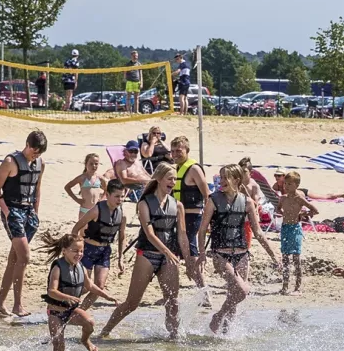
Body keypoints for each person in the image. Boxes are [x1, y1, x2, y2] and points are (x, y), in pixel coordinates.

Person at [99, 163, 191, 340]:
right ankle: (105, 332)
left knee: (173, 302)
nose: (173, 182)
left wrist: (188, 260)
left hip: (168, 258)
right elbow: (149, 234)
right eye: (170, 179)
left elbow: (182, 235)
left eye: (175, 179)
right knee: (132, 303)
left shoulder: (178, 205)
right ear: (159, 179)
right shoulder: (144, 203)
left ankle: (174, 338)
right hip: (147, 256)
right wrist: (167, 252)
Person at [197, 164, 279, 334]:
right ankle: (218, 316)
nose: (221, 181)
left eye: (225, 177)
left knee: (233, 296)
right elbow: (203, 229)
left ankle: (225, 335)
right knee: (242, 291)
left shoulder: (247, 202)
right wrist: (202, 254)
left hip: (242, 254)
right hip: (220, 254)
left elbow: (258, 232)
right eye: (220, 177)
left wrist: (273, 256)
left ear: (236, 179)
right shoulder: (213, 200)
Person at [0, 130, 47, 317]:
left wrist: (36, 213)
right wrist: (7, 213)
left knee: (14, 259)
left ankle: (0, 303)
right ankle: (17, 305)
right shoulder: (10, 162)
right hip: (12, 211)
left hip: (29, 212)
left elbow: (37, 189)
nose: (35, 156)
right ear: (27, 145)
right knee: (24, 257)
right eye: (34, 151)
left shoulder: (40, 163)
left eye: (39, 153)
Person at [40, 232, 115, 351]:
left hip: (71, 311)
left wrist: (106, 296)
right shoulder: (58, 267)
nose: (79, 254)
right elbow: (51, 291)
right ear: (64, 251)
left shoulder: (81, 267)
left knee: (89, 323)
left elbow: (90, 286)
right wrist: (67, 297)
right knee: (59, 348)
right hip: (55, 313)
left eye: (81, 251)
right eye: (75, 251)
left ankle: (85, 340)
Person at [71, 179, 126, 309]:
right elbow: (76, 228)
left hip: (104, 252)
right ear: (108, 195)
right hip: (88, 250)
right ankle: (63, 303)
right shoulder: (96, 210)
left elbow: (122, 237)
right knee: (85, 287)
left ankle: (80, 312)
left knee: (99, 287)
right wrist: (75, 249)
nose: (120, 200)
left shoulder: (122, 215)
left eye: (122, 196)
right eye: (117, 196)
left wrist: (121, 257)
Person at [170, 136, 208, 292]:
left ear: (187, 150)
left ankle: (204, 293)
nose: (175, 154)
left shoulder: (194, 169)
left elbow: (207, 195)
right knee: (174, 254)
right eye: (172, 151)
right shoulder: (175, 169)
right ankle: (173, 292)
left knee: (191, 255)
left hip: (192, 217)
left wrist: (209, 219)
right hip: (177, 217)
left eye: (178, 151)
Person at [277, 171, 318, 295]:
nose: (286, 186)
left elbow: (315, 210)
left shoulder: (299, 199)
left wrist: (303, 214)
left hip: (295, 228)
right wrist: (283, 213)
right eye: (285, 184)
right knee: (285, 258)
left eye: (290, 184)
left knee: (296, 258)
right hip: (285, 228)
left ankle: (297, 287)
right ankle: (284, 286)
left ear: (297, 185)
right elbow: (278, 208)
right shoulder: (283, 198)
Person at [64, 154, 107, 220]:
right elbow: (67, 187)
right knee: (83, 227)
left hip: (96, 210)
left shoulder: (100, 178)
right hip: (84, 210)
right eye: (91, 164)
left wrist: (102, 199)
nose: (94, 166)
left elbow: (107, 190)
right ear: (86, 164)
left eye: (96, 164)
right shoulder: (82, 178)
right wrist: (76, 199)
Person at [272, 169, 344, 202]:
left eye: (279, 176)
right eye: (275, 175)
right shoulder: (275, 186)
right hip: (298, 192)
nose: (276, 177)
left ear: (284, 176)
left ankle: (343, 194)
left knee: (326, 197)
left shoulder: (286, 184)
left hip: (304, 193)